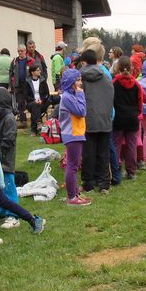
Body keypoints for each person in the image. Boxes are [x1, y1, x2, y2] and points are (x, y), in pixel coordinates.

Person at [0, 87, 46, 233]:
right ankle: (1, 212)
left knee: (8, 189)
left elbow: (9, 140)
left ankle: (14, 217)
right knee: (0, 190)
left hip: (5, 162)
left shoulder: (9, 119)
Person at [79, 48, 114, 193]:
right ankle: (104, 183)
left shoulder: (81, 78)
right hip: (105, 119)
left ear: (83, 62)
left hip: (88, 119)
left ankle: (88, 183)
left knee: (88, 154)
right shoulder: (106, 76)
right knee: (103, 153)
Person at [59, 68, 90, 206]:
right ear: (71, 82)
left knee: (75, 165)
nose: (80, 83)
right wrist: (81, 95)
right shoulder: (67, 97)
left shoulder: (71, 95)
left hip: (76, 134)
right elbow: (81, 111)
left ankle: (76, 193)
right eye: (77, 80)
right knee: (72, 166)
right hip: (72, 134)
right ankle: (72, 197)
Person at [112, 56, 143, 180]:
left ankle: (116, 168)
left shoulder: (114, 83)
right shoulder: (136, 83)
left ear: (118, 68)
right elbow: (140, 101)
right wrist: (137, 112)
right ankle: (131, 171)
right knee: (131, 145)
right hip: (132, 117)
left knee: (116, 145)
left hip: (118, 118)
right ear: (131, 68)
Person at [24, 65, 51, 135]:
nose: (40, 71)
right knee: (35, 105)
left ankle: (34, 130)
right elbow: (26, 96)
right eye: (37, 70)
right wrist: (34, 100)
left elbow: (47, 94)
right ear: (32, 72)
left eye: (39, 70)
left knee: (35, 108)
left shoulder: (43, 80)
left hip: (43, 103)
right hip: (31, 103)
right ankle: (39, 123)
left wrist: (42, 100)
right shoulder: (27, 82)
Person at [10, 45, 31, 127]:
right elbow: (11, 72)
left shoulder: (29, 60)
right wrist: (11, 83)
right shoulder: (15, 61)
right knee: (20, 102)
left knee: (29, 102)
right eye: (18, 51)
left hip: (28, 85)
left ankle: (34, 120)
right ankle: (23, 121)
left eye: (21, 51)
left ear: (25, 51)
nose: (20, 52)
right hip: (18, 85)